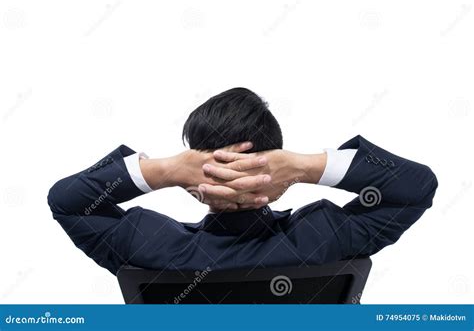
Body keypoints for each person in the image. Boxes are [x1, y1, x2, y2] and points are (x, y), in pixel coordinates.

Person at [47, 87, 438, 275]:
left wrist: (164, 170)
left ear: (194, 178)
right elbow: (416, 186)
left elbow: (66, 200)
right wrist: (303, 166)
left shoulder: (146, 244)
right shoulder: (323, 236)